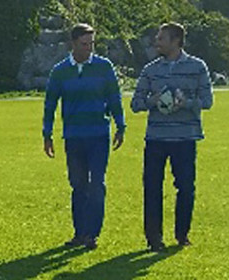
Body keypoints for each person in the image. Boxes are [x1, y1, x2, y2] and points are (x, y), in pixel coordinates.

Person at [42, 23, 126, 251]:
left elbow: (114, 98)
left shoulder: (103, 67)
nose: (89, 48)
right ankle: (79, 233)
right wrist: (47, 134)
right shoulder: (60, 71)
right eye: (84, 44)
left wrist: (121, 125)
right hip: (73, 137)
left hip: (99, 135)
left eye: (91, 44)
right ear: (73, 44)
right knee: (78, 185)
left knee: (96, 184)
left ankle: (92, 234)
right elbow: (50, 104)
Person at [130, 21, 213, 251]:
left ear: (176, 41)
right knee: (152, 187)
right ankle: (153, 239)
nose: (157, 42)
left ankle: (182, 235)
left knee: (186, 187)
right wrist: (151, 102)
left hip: (185, 138)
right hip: (156, 139)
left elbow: (207, 101)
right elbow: (135, 104)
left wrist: (185, 103)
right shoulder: (150, 70)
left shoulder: (198, 67)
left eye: (161, 38)